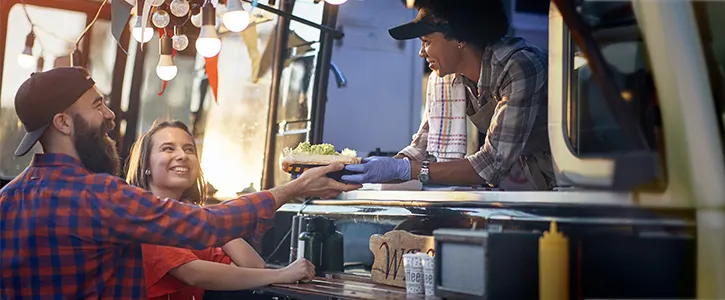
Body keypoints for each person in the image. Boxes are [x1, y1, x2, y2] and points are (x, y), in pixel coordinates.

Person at [0, 67, 361, 299]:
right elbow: (208, 228)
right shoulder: (99, 195)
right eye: (97, 106)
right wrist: (294, 188)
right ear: (63, 123)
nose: (109, 114)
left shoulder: (6, 199)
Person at [341, 0, 555, 191]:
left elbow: (492, 165)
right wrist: (369, 168)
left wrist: (403, 170)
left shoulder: (518, 66)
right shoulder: (447, 78)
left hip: (573, 168)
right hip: (540, 176)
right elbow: (421, 150)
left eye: (426, 41)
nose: (421, 52)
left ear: (459, 37)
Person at [126, 120, 315, 299]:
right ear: (146, 165)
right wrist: (281, 275)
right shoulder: (144, 214)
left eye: (189, 149)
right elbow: (193, 273)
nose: (182, 156)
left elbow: (254, 266)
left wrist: (206, 218)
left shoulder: (190, 222)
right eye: (168, 148)